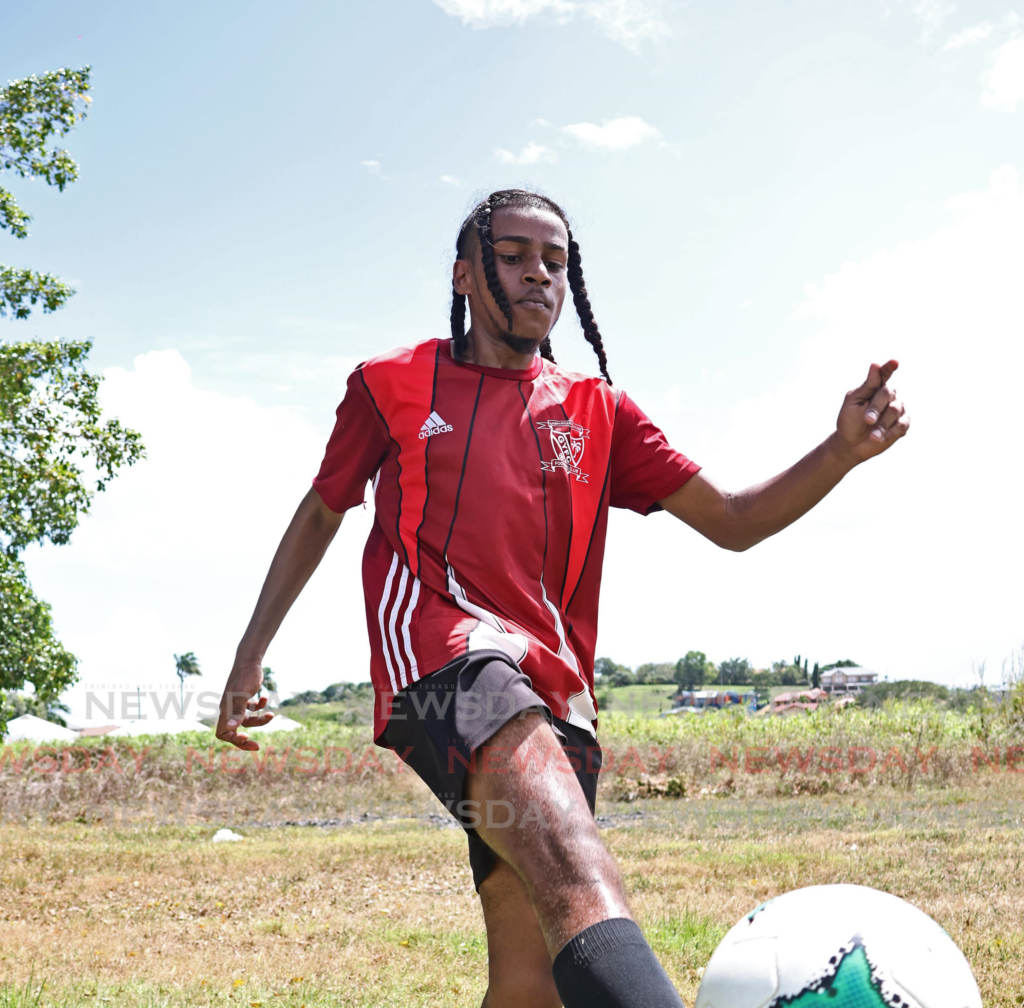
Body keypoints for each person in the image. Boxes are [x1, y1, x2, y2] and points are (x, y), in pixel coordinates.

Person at [216, 189, 909, 1008]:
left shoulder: (598, 411)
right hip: (449, 664)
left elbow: (734, 519)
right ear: (465, 275)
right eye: (513, 257)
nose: (540, 276)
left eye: (556, 261)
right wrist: (249, 652)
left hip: (558, 700)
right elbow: (324, 509)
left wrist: (840, 450)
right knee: (580, 872)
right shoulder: (389, 385)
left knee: (530, 984)